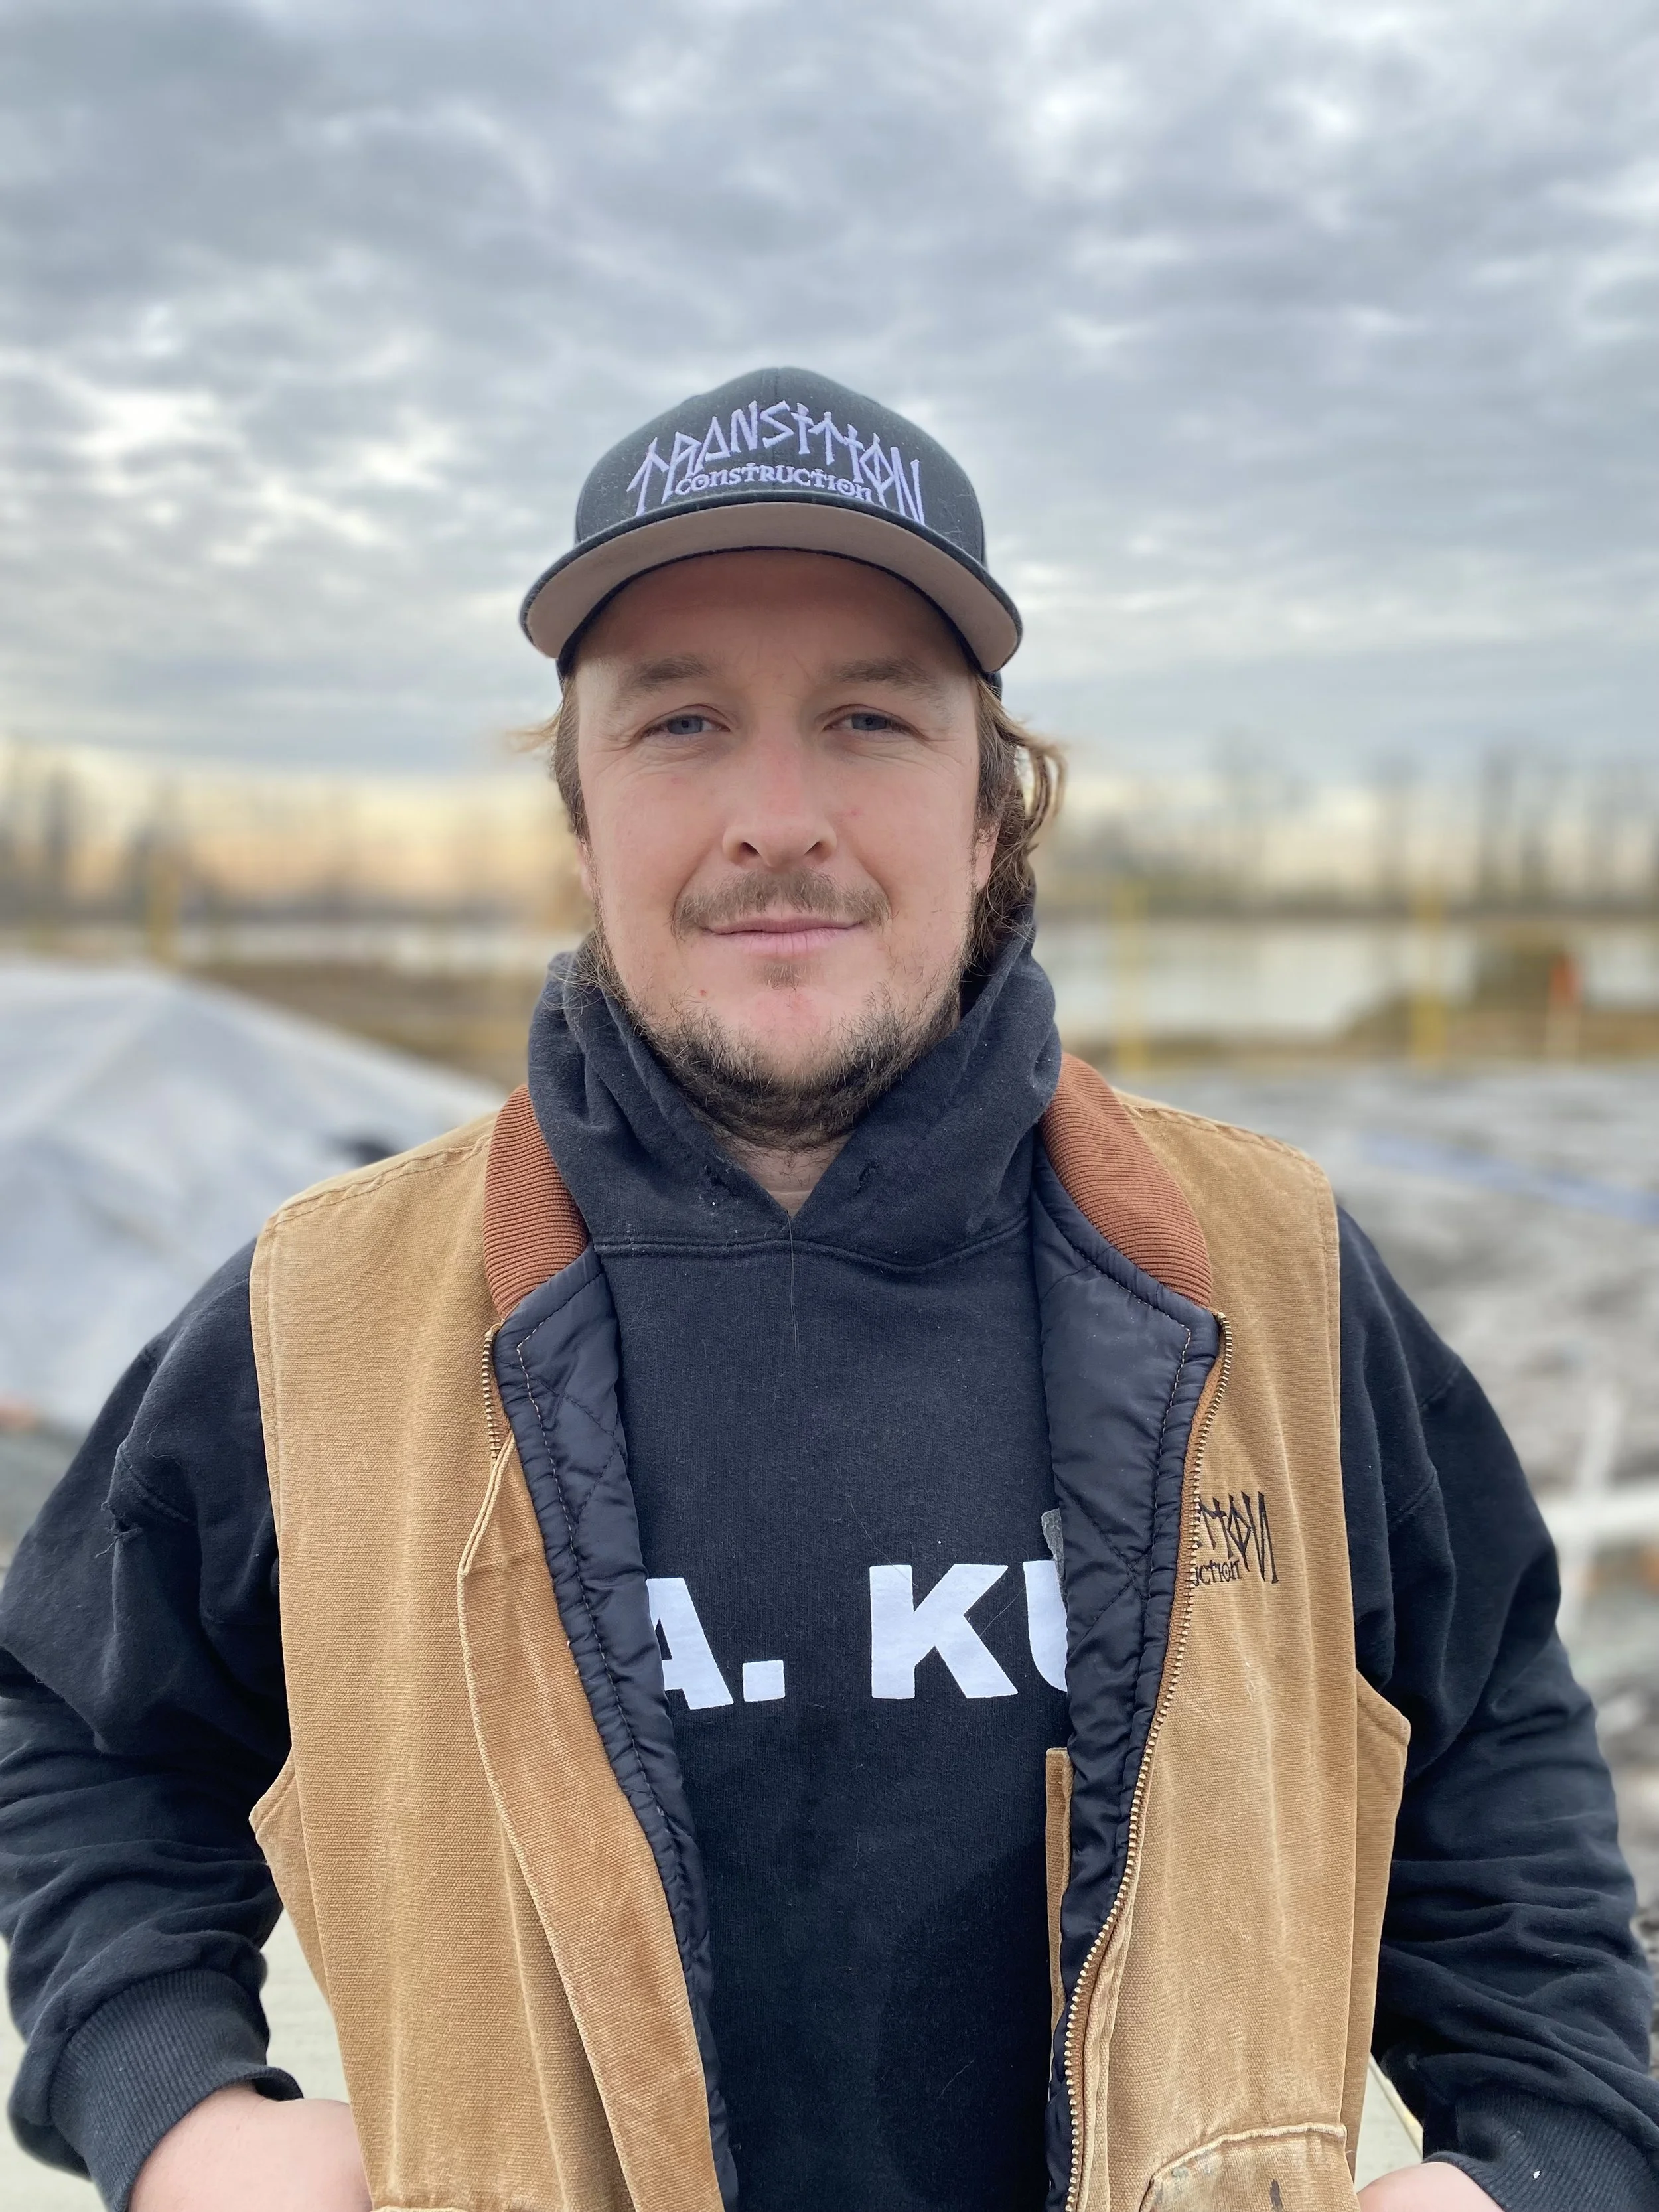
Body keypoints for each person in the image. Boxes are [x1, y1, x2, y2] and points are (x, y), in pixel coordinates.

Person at [1, 367, 1655, 2212]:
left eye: (868, 716)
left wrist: (1535, 2153)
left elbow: (1487, 1713)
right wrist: (179, 2109)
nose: (775, 814)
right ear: (580, 807)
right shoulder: (328, 1314)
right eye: (682, 719)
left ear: (984, 807)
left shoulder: (1263, 1269)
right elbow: (72, 1720)